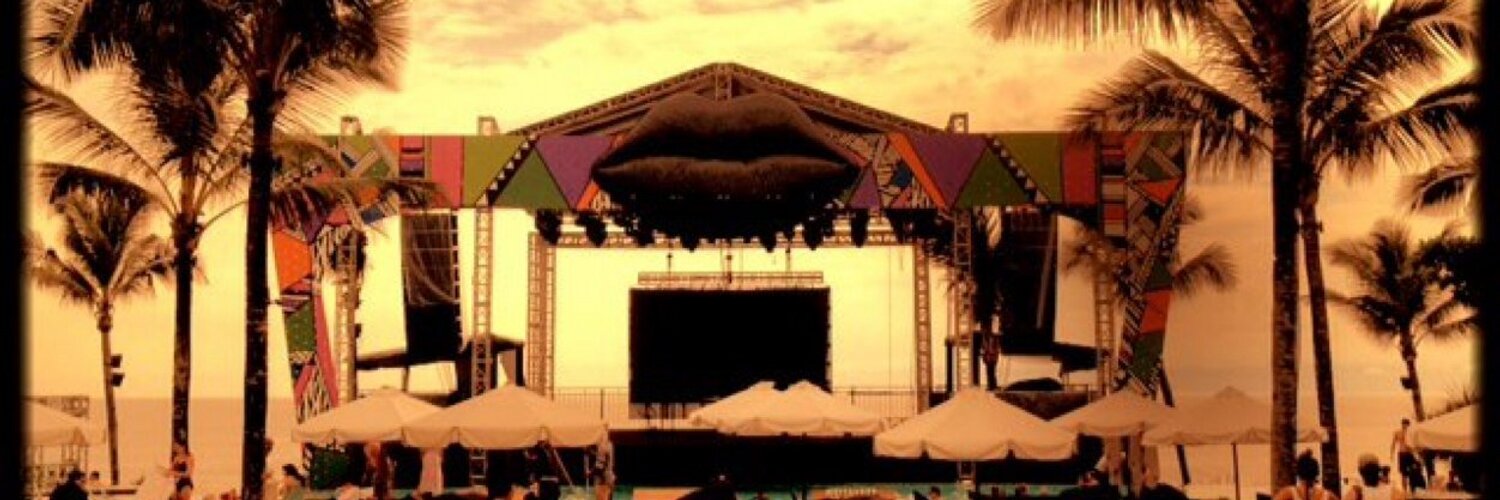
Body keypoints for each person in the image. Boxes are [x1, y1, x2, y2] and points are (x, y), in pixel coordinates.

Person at [1390, 419, 1426, 491]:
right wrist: (1392, 454)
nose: (1405, 426)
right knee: (1403, 473)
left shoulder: (1412, 433)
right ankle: (1405, 490)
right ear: (1402, 424)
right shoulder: (1398, 432)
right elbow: (1393, 444)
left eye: (1406, 424)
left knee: (1413, 471)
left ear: (1408, 425)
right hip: (1402, 453)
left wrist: (1419, 454)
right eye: (1404, 424)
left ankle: (1413, 487)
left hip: (1410, 453)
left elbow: (1417, 443)